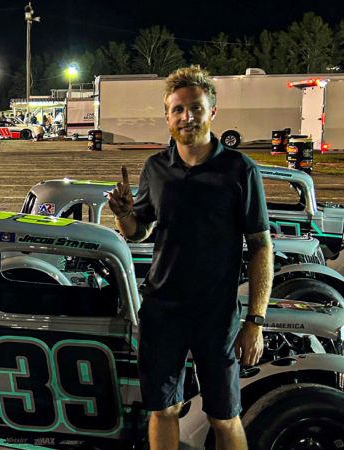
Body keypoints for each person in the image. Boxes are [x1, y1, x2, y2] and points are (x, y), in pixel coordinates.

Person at [107, 65, 273, 450]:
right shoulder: (155, 168)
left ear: (212, 111)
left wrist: (256, 321)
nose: (187, 117)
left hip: (217, 315)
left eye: (195, 107)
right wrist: (123, 215)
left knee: (224, 416)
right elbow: (141, 232)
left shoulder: (239, 170)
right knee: (164, 409)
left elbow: (261, 246)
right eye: (178, 109)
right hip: (163, 310)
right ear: (167, 116)